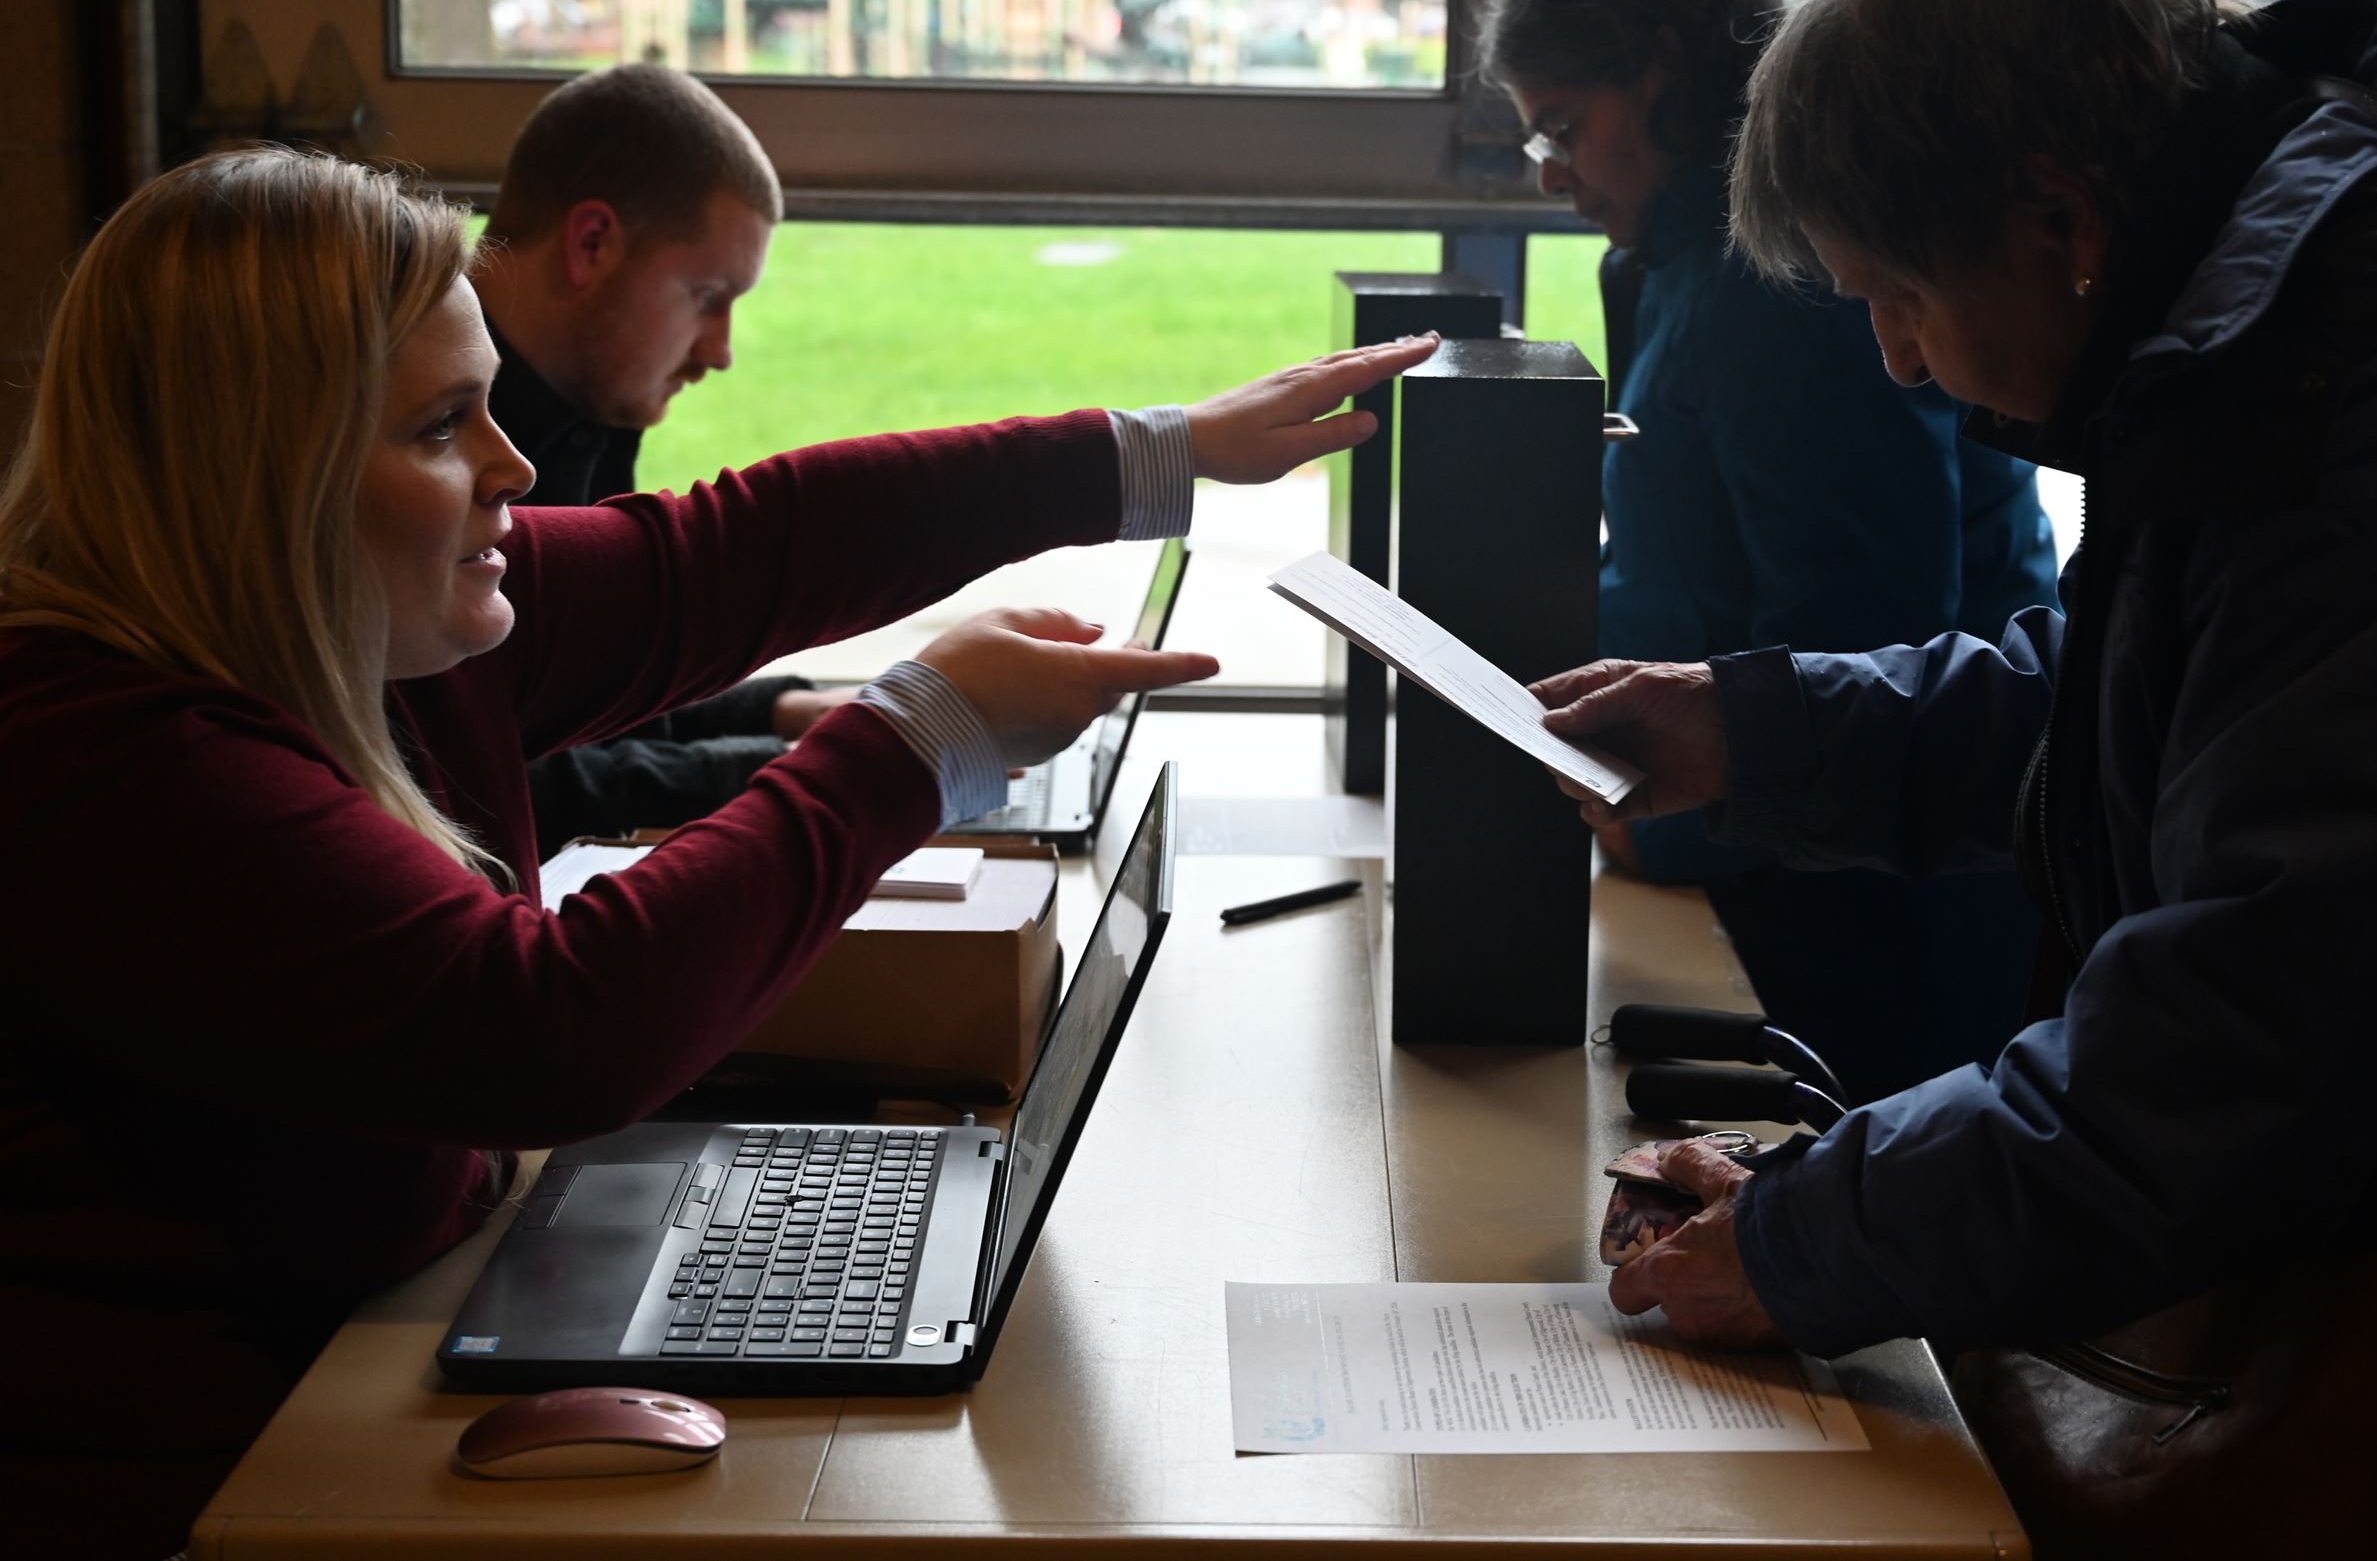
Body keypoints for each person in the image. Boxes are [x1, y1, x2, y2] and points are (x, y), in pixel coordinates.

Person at [0, 144, 1438, 1557]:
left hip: (338, 1396)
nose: (513, 469)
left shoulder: (373, 616)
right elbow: (545, 1028)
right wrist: (914, 737)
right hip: (192, 1493)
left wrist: (1151, 454)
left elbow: (734, 551)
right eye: (443, 427)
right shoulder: (111, 761)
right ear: (270, 479)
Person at [1530, 0, 2377, 1549]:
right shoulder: (2259, 313)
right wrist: (1761, 728)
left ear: (2061, 219)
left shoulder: (2354, 365)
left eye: (1897, 295)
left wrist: (1805, 1237)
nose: (1890, 357)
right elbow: (2162, 692)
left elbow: (2254, 1021)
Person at [1475, 0, 2058, 1103]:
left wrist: (1672, 823)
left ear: (1659, 65)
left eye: (1564, 130)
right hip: (1772, 843)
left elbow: (1873, 621)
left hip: (1875, 905)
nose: (1556, 178)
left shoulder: (1778, 278)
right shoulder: (1683, 256)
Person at [471, 64, 847, 854]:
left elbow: (592, 685)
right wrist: (795, 770)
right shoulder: (421, 447)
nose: (721, 352)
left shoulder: (580, 414)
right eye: (707, 296)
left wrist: (776, 713)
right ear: (592, 243)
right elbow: (491, 786)